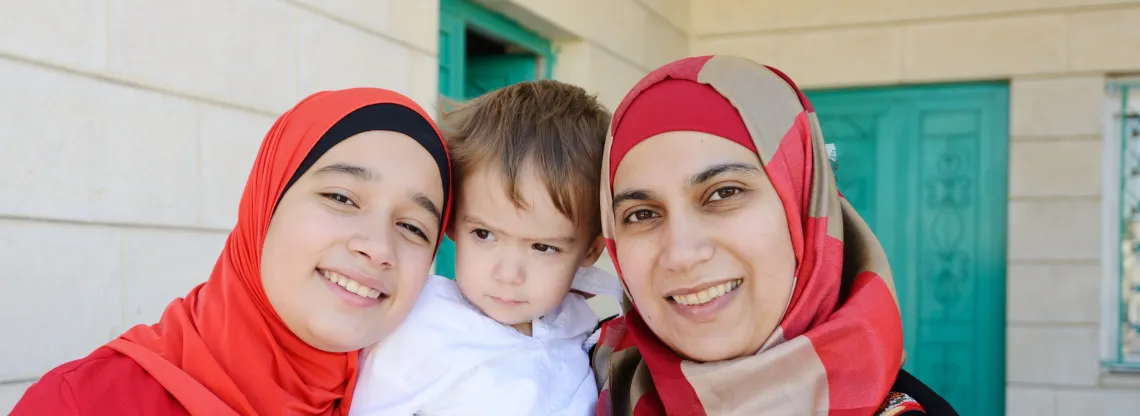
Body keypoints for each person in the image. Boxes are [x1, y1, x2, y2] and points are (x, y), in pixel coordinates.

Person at [11, 88, 453, 415]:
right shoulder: (84, 404)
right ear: (266, 202)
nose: (378, 247)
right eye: (341, 198)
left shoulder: (431, 400)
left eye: (412, 227)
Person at [591, 55, 957, 415]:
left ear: (803, 207)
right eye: (641, 214)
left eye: (724, 193)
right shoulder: (576, 386)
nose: (682, 253)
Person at [349, 80, 621, 416]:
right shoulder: (420, 326)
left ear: (590, 251)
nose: (507, 274)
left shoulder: (582, 327)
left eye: (543, 248)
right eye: (484, 235)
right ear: (451, 222)